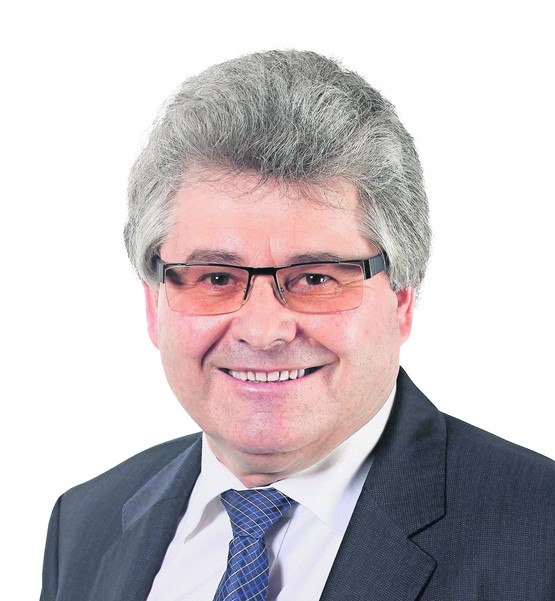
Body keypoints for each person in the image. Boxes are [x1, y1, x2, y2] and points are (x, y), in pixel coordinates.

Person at [40, 50, 554, 601]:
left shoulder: (539, 535)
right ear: (154, 305)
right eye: (216, 277)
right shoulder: (86, 523)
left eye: (314, 278)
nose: (263, 331)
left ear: (402, 298)